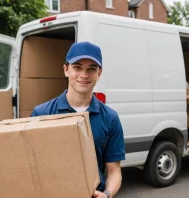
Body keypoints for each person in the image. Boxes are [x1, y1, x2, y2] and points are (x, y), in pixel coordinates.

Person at [31, 41, 125, 197]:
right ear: (66, 70)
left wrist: (107, 194)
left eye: (91, 69)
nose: (84, 75)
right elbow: (31, 166)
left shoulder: (110, 118)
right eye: (77, 67)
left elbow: (114, 171)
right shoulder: (42, 114)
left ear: (99, 73)